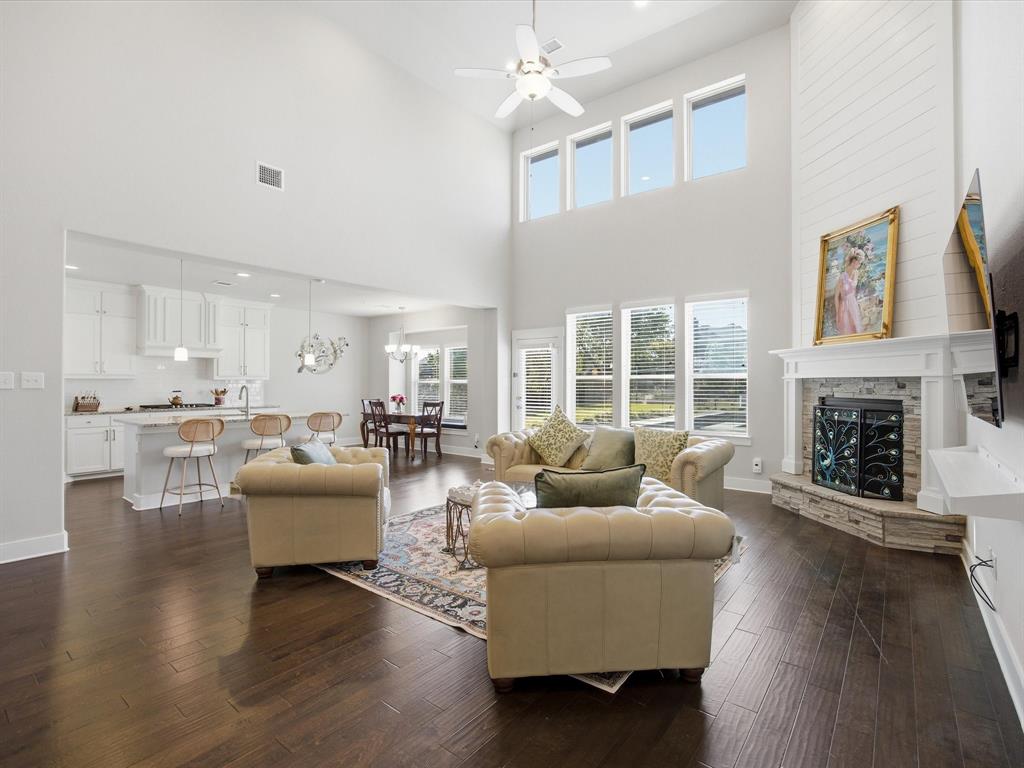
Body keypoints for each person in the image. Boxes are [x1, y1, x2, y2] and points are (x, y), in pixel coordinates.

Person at [834, 249, 864, 335]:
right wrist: (837, 313)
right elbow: (836, 296)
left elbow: (853, 290)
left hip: (853, 303)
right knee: (848, 330)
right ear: (854, 261)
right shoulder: (842, 277)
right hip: (845, 306)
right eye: (859, 262)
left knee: (856, 328)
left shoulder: (856, 273)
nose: (860, 265)